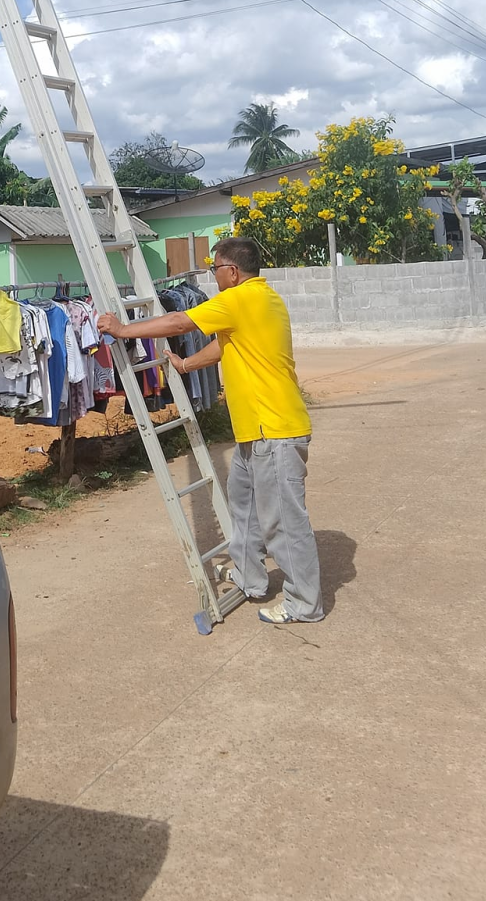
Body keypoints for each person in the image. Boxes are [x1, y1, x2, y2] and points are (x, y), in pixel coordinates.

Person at [97, 236, 323, 625]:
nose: (212, 276)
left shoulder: (239, 299)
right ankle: (250, 578)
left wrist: (122, 330)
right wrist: (185, 366)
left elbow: (179, 320)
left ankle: (304, 603)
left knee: (283, 522)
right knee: (245, 507)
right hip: (255, 433)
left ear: (232, 271)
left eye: (215, 269)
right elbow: (223, 348)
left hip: (276, 431)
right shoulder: (262, 300)